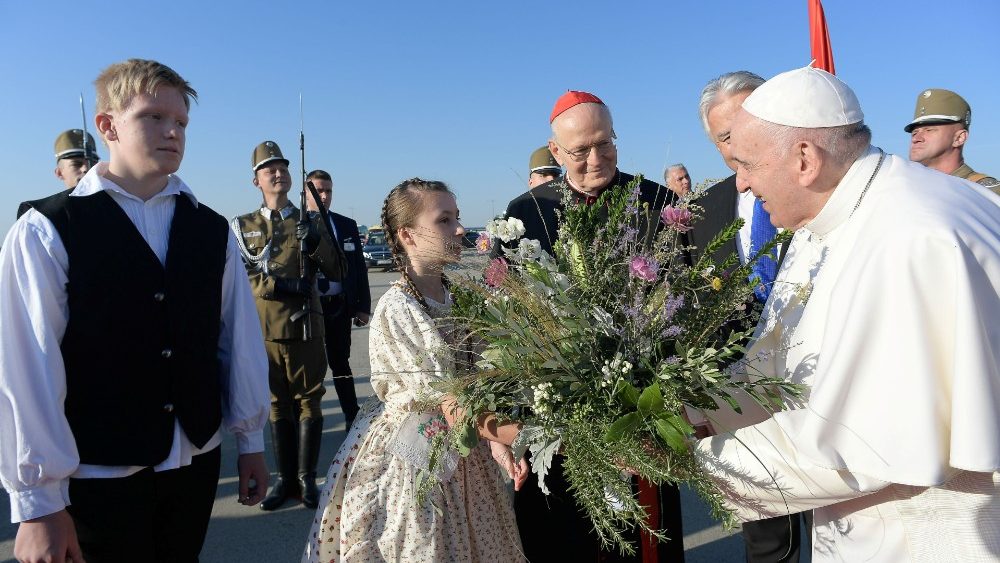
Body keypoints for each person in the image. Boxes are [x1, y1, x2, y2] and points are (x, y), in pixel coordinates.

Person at [695, 65, 1000, 562]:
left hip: (927, 536)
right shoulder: (827, 216)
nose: (743, 185)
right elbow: (776, 366)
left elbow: (857, 448)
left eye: (748, 164)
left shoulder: (907, 239)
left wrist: (684, 460)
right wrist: (693, 414)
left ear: (804, 158)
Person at [0, 58, 271, 562]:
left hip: (194, 461)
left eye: (182, 122)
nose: (172, 131)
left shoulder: (210, 228)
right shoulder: (46, 229)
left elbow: (237, 338)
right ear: (108, 126)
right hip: (97, 474)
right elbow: (28, 370)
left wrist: (250, 439)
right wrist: (38, 504)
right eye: (153, 117)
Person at [500, 90, 684, 562]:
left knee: (643, 537)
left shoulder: (654, 201)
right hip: (562, 417)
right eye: (580, 150)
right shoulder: (524, 213)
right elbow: (509, 317)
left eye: (606, 143)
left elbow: (681, 298)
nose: (596, 159)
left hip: (640, 406)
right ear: (556, 152)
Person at [303, 178, 526, 562]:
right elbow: (453, 404)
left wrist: (497, 443)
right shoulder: (399, 307)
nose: (459, 228)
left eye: (456, 217)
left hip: (467, 454)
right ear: (407, 234)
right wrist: (535, 436)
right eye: (444, 220)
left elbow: (477, 385)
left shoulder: (460, 295)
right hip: (418, 460)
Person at [688, 70, 808, 563]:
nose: (739, 143)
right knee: (766, 532)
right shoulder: (701, 212)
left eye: (747, 124)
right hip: (742, 394)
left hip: (819, 377)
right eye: (725, 136)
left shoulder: (815, 188)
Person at [232, 142, 346, 511]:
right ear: (256, 181)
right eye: (269, 170)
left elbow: (337, 269)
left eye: (282, 167)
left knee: (310, 403)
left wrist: (315, 243)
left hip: (305, 329)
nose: (278, 173)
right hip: (264, 330)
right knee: (277, 406)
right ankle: (284, 481)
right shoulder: (243, 226)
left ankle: (307, 480)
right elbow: (240, 275)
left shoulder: (311, 221)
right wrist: (280, 285)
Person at [305, 169, 370, 429]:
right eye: (317, 190)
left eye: (328, 190)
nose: (324, 195)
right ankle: (309, 419)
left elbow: (357, 269)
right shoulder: (297, 226)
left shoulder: (345, 225)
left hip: (338, 306)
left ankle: (351, 416)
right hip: (309, 308)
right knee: (310, 366)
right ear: (305, 192)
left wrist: (362, 306)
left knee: (340, 361)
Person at [905, 88, 999, 195]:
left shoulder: (985, 193)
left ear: (959, 138)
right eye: (914, 133)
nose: (916, 139)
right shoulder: (908, 189)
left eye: (929, 130)